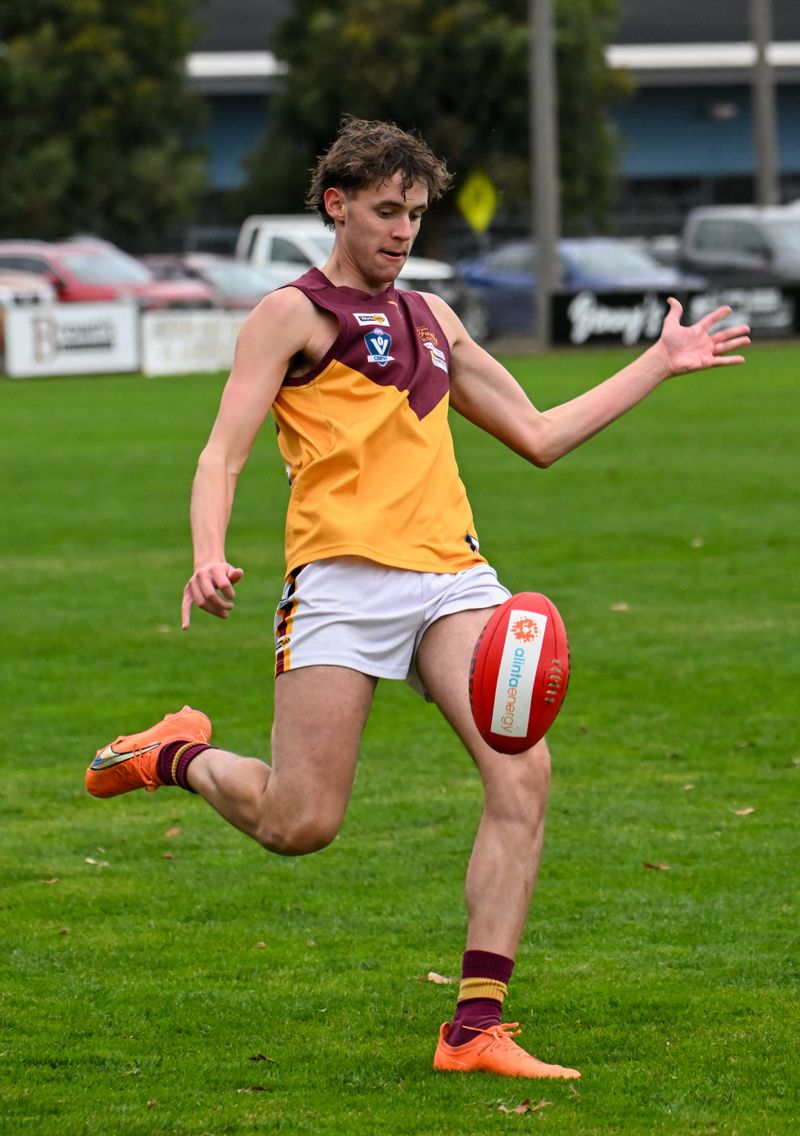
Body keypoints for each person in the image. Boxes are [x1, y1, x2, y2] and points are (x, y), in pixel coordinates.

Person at [85, 117, 749, 1079]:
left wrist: (657, 363)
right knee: (299, 825)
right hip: (341, 585)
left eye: (416, 214)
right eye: (387, 212)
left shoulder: (436, 320)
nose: (403, 231)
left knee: (524, 772)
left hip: (453, 578)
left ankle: (474, 1028)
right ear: (338, 204)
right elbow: (221, 450)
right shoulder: (289, 314)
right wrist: (205, 551)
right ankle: (172, 754)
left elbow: (538, 433)